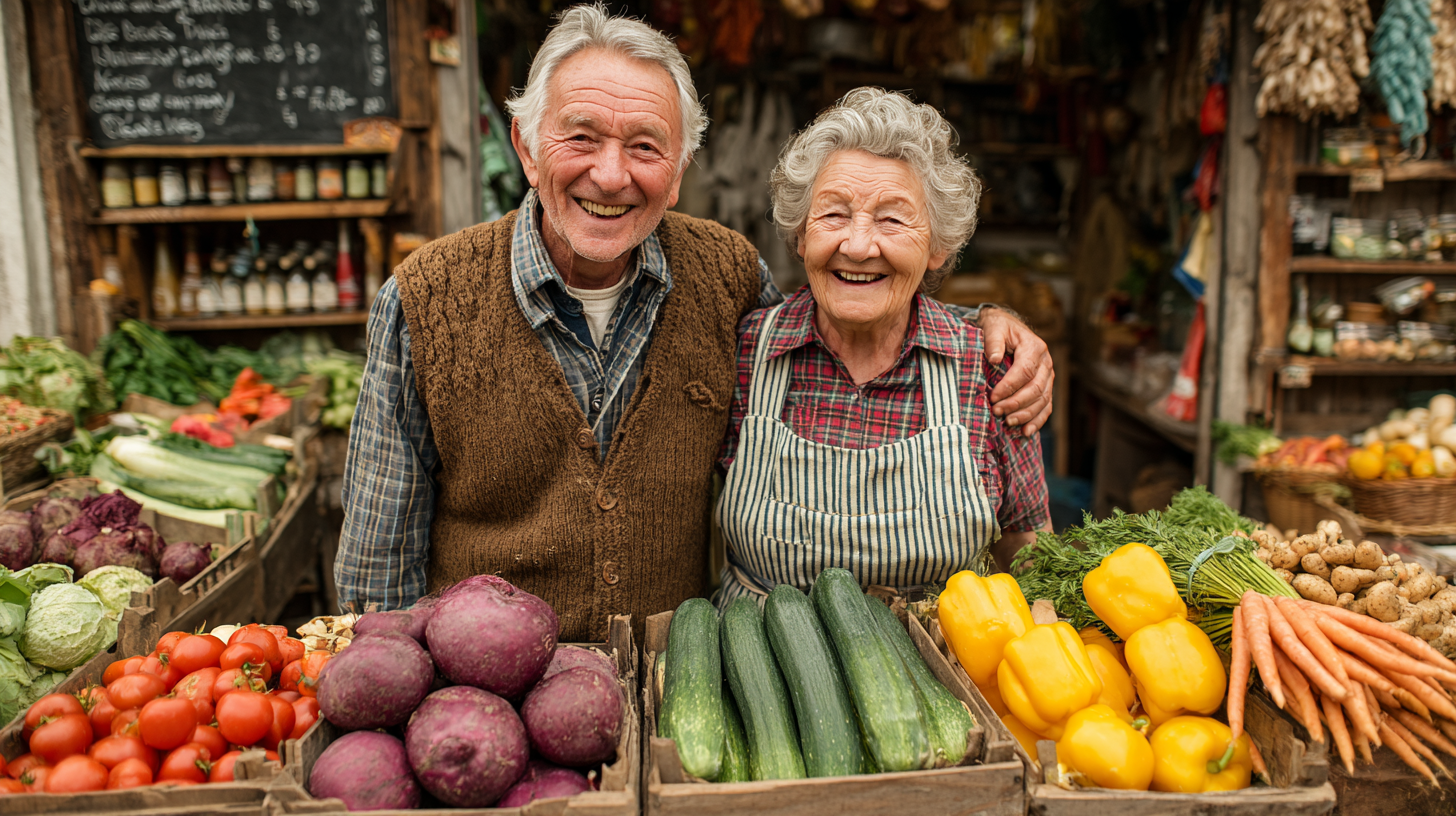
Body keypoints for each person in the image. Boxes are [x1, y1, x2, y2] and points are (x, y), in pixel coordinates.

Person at [335, 4, 1055, 640]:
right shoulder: (425, 300)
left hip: (678, 689)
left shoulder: (726, 280)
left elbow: (856, 317)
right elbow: (376, 568)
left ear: (678, 171)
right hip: (489, 698)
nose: (612, 176)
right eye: (580, 138)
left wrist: (991, 325)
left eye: (646, 146)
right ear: (525, 147)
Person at [715, 88, 1051, 606]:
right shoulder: (743, 352)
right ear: (801, 235)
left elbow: (1029, 555)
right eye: (833, 215)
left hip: (940, 670)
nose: (858, 246)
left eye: (892, 219)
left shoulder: (990, 371)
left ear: (939, 246)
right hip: (757, 668)